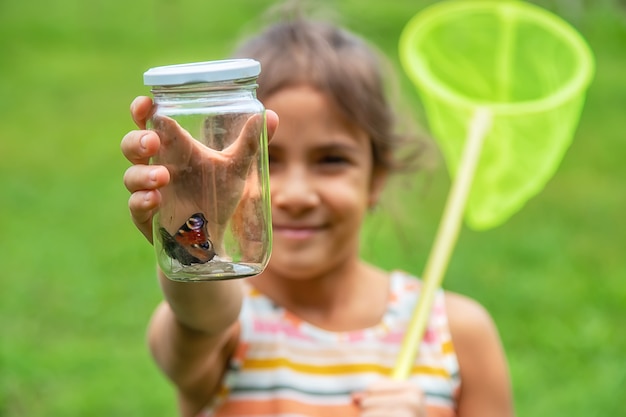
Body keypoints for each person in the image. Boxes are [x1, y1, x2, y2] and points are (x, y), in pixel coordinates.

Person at [121, 9, 515, 417]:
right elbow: (200, 319)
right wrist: (194, 230)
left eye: (331, 160)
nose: (296, 194)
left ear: (376, 176)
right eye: (267, 160)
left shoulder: (456, 333)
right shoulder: (231, 326)